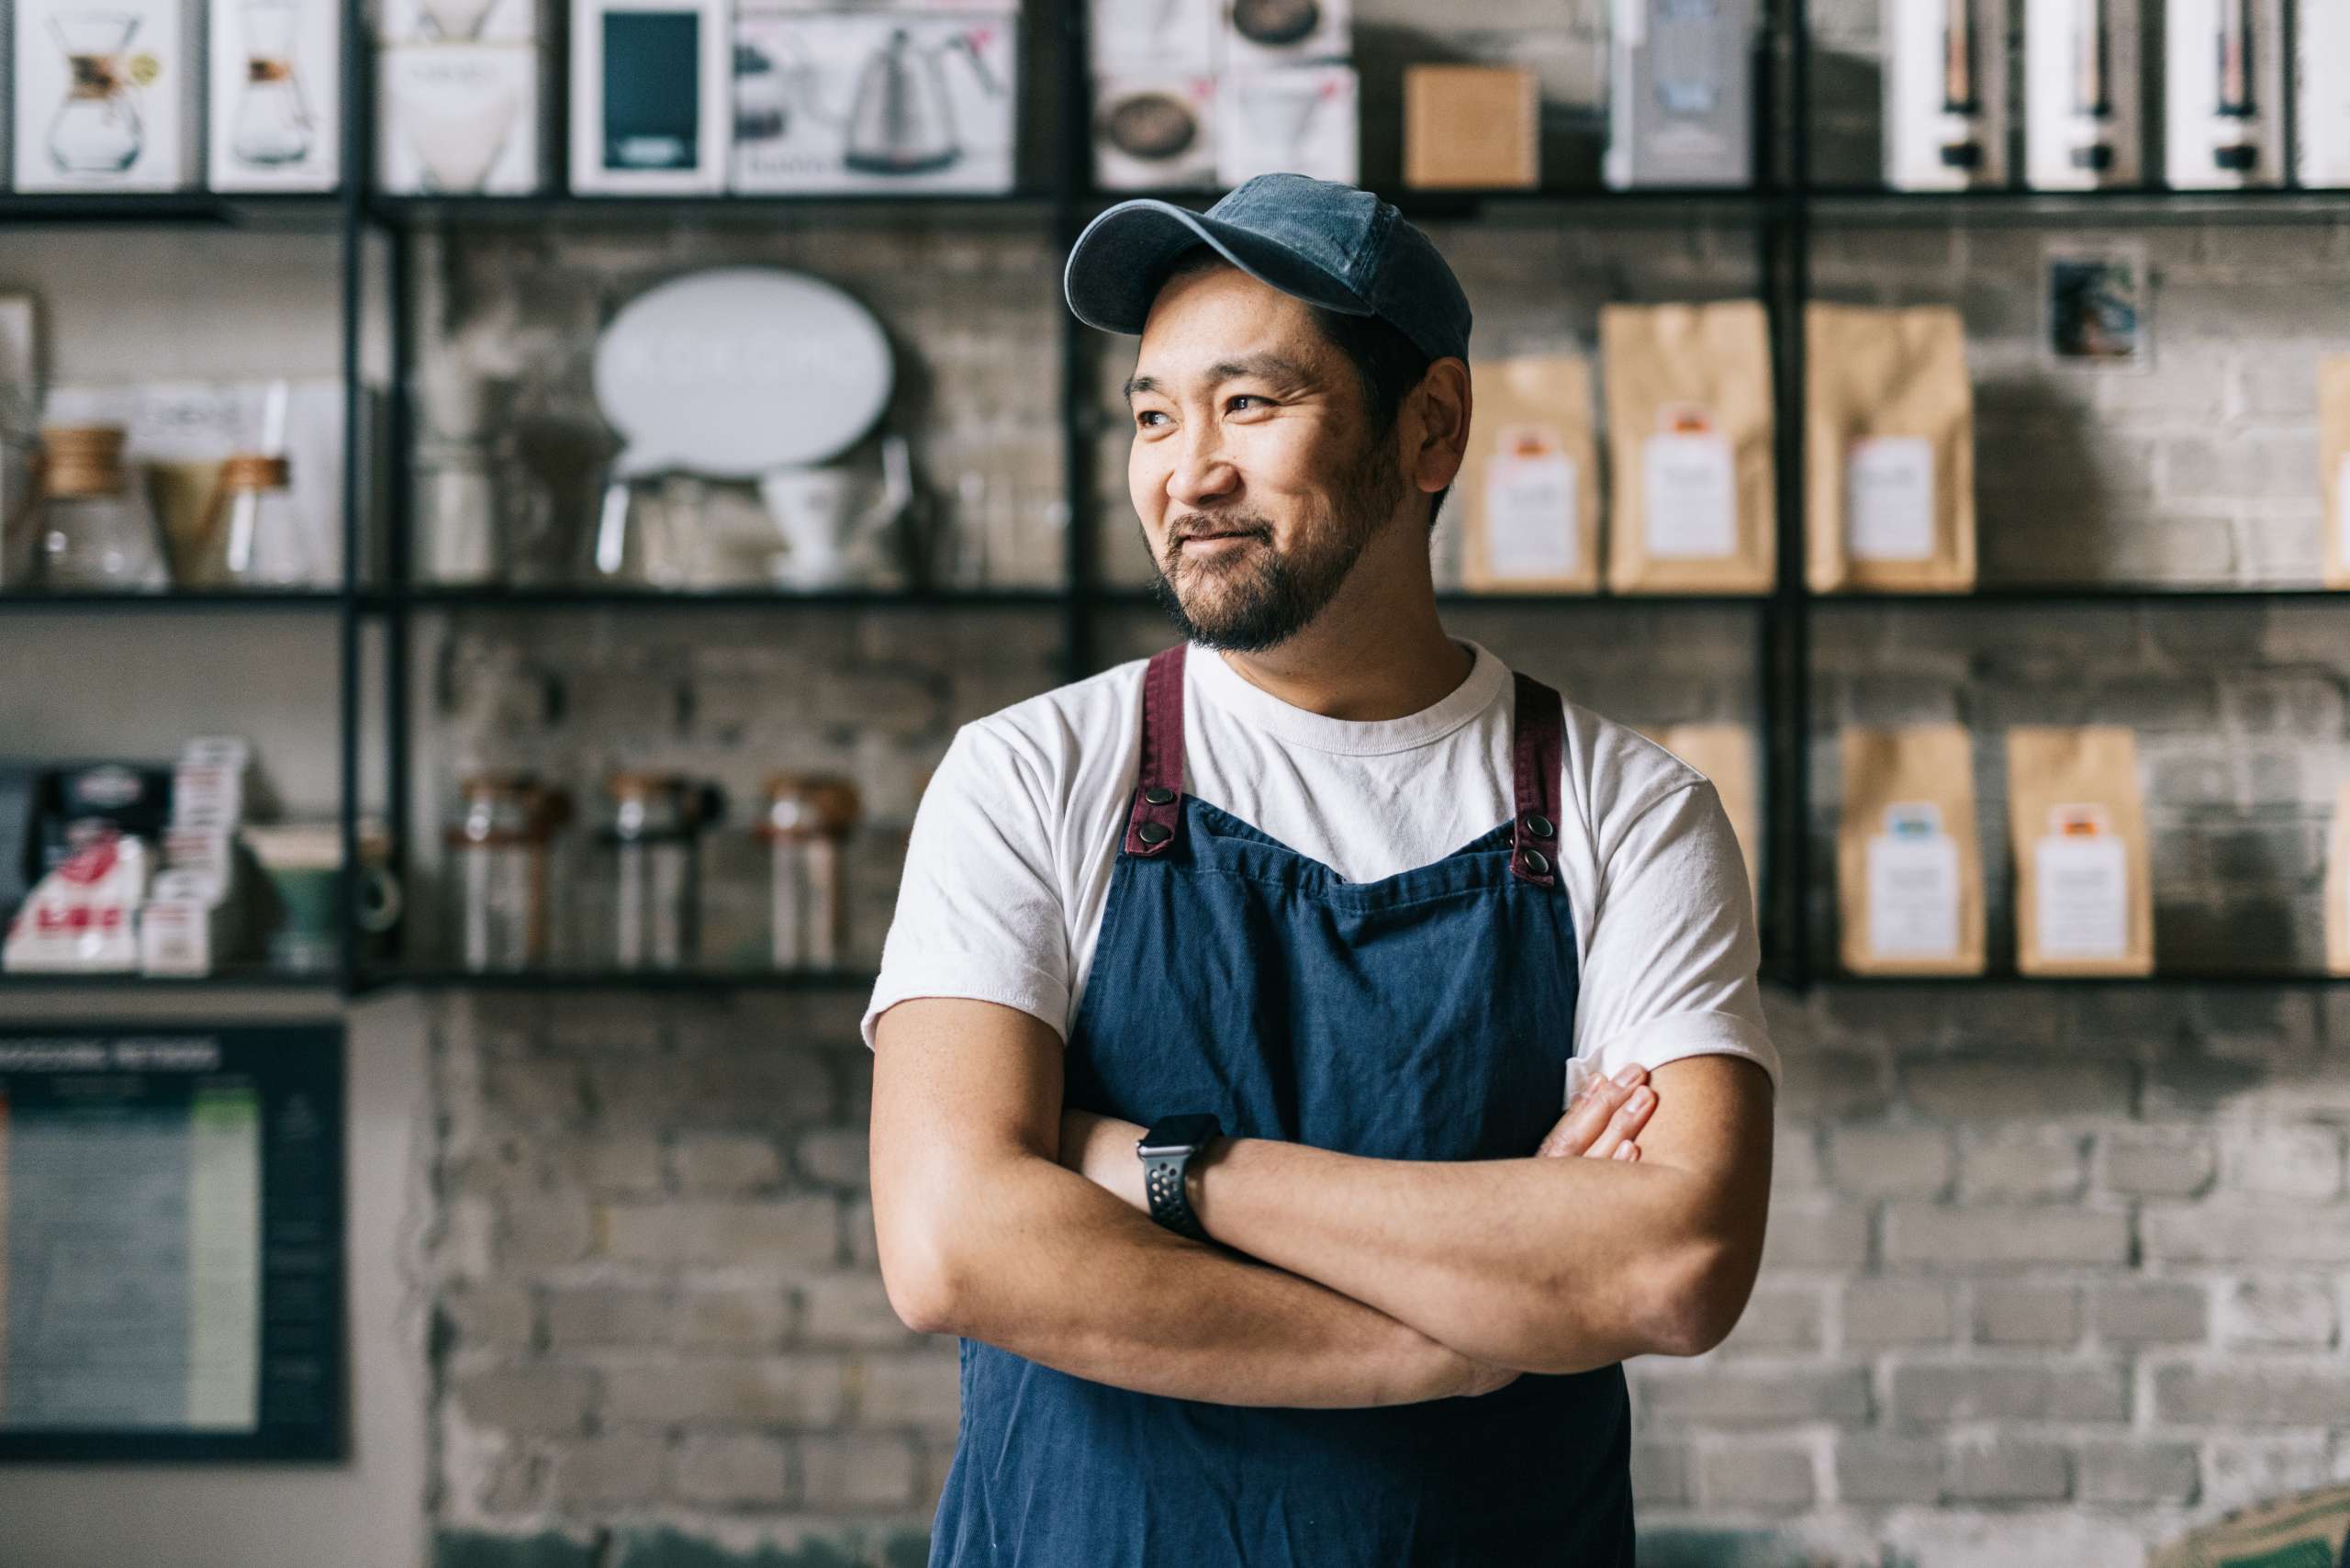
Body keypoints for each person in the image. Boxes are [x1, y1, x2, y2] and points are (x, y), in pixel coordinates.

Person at [863, 172, 1779, 1567]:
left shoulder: (1631, 812)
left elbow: (1670, 1266)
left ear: (1431, 427)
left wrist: (1159, 1169)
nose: (1189, 471)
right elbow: (951, 1244)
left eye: (1251, 404)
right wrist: (1447, 1341)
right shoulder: (1032, 776)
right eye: (1156, 416)